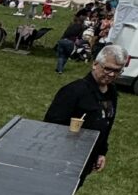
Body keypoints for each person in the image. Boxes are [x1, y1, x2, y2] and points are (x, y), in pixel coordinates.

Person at [43, 44, 125, 185]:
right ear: (95, 64)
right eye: (107, 69)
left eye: (117, 71)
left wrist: (101, 152)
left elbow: (107, 124)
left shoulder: (112, 92)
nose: (111, 74)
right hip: (65, 158)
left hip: (88, 158)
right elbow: (50, 127)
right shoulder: (73, 91)